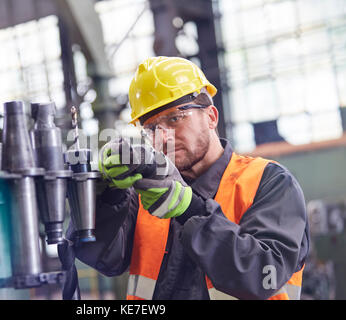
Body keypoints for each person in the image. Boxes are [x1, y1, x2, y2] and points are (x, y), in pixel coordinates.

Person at [68, 56, 309, 300]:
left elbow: (264, 275)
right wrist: (107, 196)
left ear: (211, 117)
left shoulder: (269, 182)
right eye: (151, 128)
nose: (163, 138)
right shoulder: (145, 196)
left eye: (175, 118)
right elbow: (103, 257)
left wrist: (190, 210)